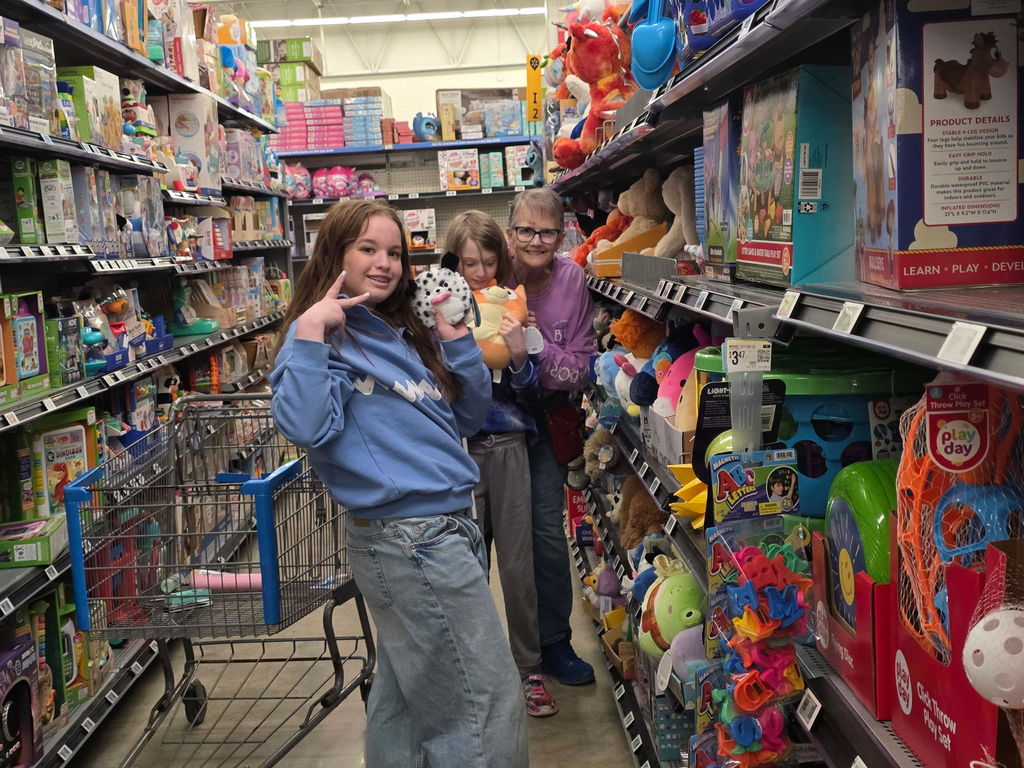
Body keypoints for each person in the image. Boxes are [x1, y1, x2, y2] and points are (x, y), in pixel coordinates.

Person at [270, 200, 527, 768]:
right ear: (334, 253)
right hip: (411, 538)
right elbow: (306, 424)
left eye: (394, 252)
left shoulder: (394, 332)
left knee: (410, 697)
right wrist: (311, 328)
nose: (384, 264)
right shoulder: (323, 338)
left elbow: (462, 418)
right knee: (483, 702)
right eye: (367, 249)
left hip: (436, 530)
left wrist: (455, 338)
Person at [447, 209, 557, 717]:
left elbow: (530, 395)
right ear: (453, 261)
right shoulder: (437, 313)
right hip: (459, 454)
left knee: (517, 567)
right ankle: (471, 672)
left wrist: (518, 355)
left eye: (489, 262)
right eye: (469, 263)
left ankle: (528, 669)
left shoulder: (513, 307)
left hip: (510, 447)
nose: (479, 273)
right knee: (466, 567)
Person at [507, 187, 597, 686]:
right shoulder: (491, 272)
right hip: (490, 427)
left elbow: (581, 371)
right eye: (526, 230)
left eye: (546, 231)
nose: (535, 240)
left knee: (545, 532)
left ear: (562, 234)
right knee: (479, 536)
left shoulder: (573, 280)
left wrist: (538, 348)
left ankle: (554, 643)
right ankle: (488, 654)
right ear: (510, 233)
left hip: (546, 423)